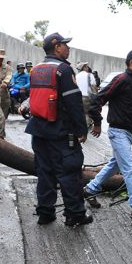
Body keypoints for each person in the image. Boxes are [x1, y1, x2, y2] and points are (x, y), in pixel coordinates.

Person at [25, 32, 92, 227]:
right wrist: (82, 129)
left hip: (38, 130)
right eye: (65, 44)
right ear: (57, 47)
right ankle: (75, 215)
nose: (68, 48)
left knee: (44, 172)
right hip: (61, 131)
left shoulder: (36, 69)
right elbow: (73, 103)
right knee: (69, 172)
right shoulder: (63, 69)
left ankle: (45, 213)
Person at [84, 50, 132, 221]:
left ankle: (90, 189)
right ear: (131, 62)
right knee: (130, 169)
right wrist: (97, 122)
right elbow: (97, 99)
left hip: (126, 133)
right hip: (118, 132)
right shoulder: (121, 79)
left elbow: (129, 109)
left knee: (115, 165)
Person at [75, 61, 96, 127]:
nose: (87, 67)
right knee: (87, 113)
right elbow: (94, 87)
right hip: (87, 97)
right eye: (86, 66)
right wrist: (96, 97)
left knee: (80, 112)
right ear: (84, 67)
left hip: (78, 97)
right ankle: (86, 127)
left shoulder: (76, 76)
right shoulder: (90, 75)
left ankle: (80, 125)